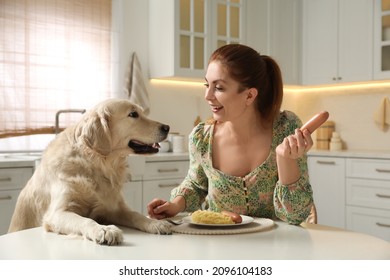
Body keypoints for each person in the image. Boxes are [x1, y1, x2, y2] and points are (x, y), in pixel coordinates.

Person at [147, 44, 314, 225]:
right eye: (207, 85)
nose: (208, 95)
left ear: (249, 96)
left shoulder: (286, 128)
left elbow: (296, 216)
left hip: (272, 247)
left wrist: (286, 159)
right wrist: (174, 205)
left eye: (218, 87)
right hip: (217, 245)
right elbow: (196, 185)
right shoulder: (202, 138)